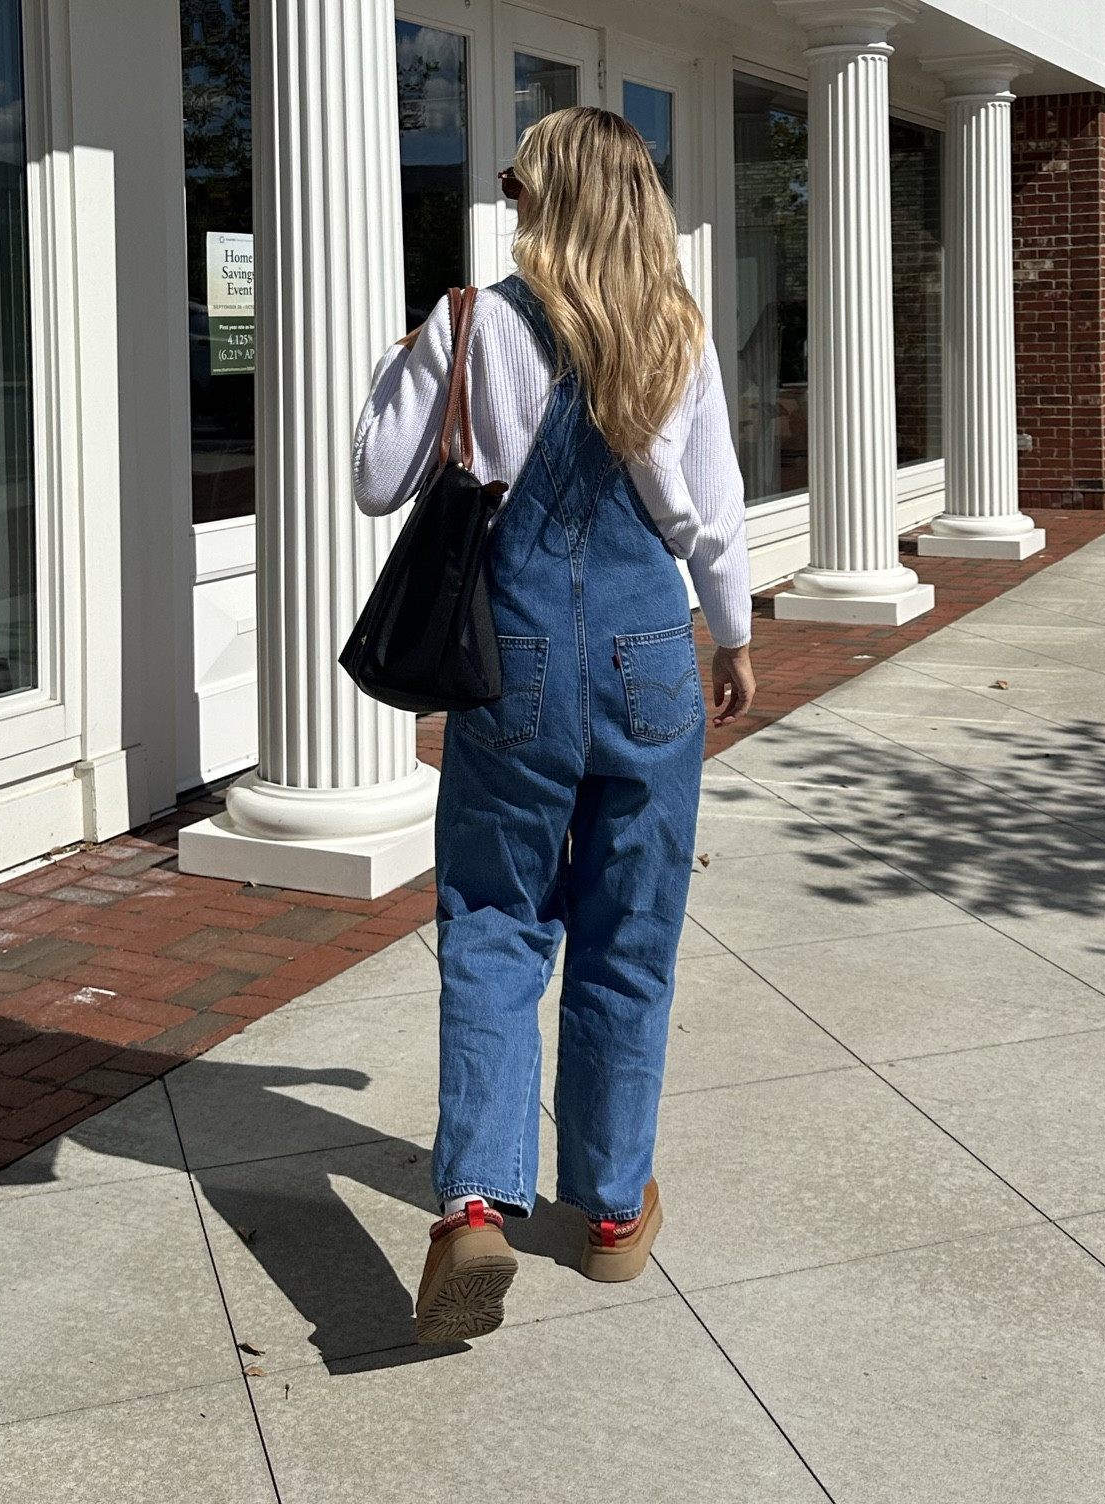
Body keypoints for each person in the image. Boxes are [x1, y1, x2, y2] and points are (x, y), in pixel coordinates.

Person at [353, 106, 754, 1344]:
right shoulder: (674, 330)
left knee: (492, 917)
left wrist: (412, 357)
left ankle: (474, 1199)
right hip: (646, 658)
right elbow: (712, 515)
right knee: (631, 931)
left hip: (512, 660)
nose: (510, 204)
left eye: (518, 185)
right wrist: (733, 636)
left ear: (546, 199)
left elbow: (375, 474)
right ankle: (614, 1212)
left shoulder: (470, 323)